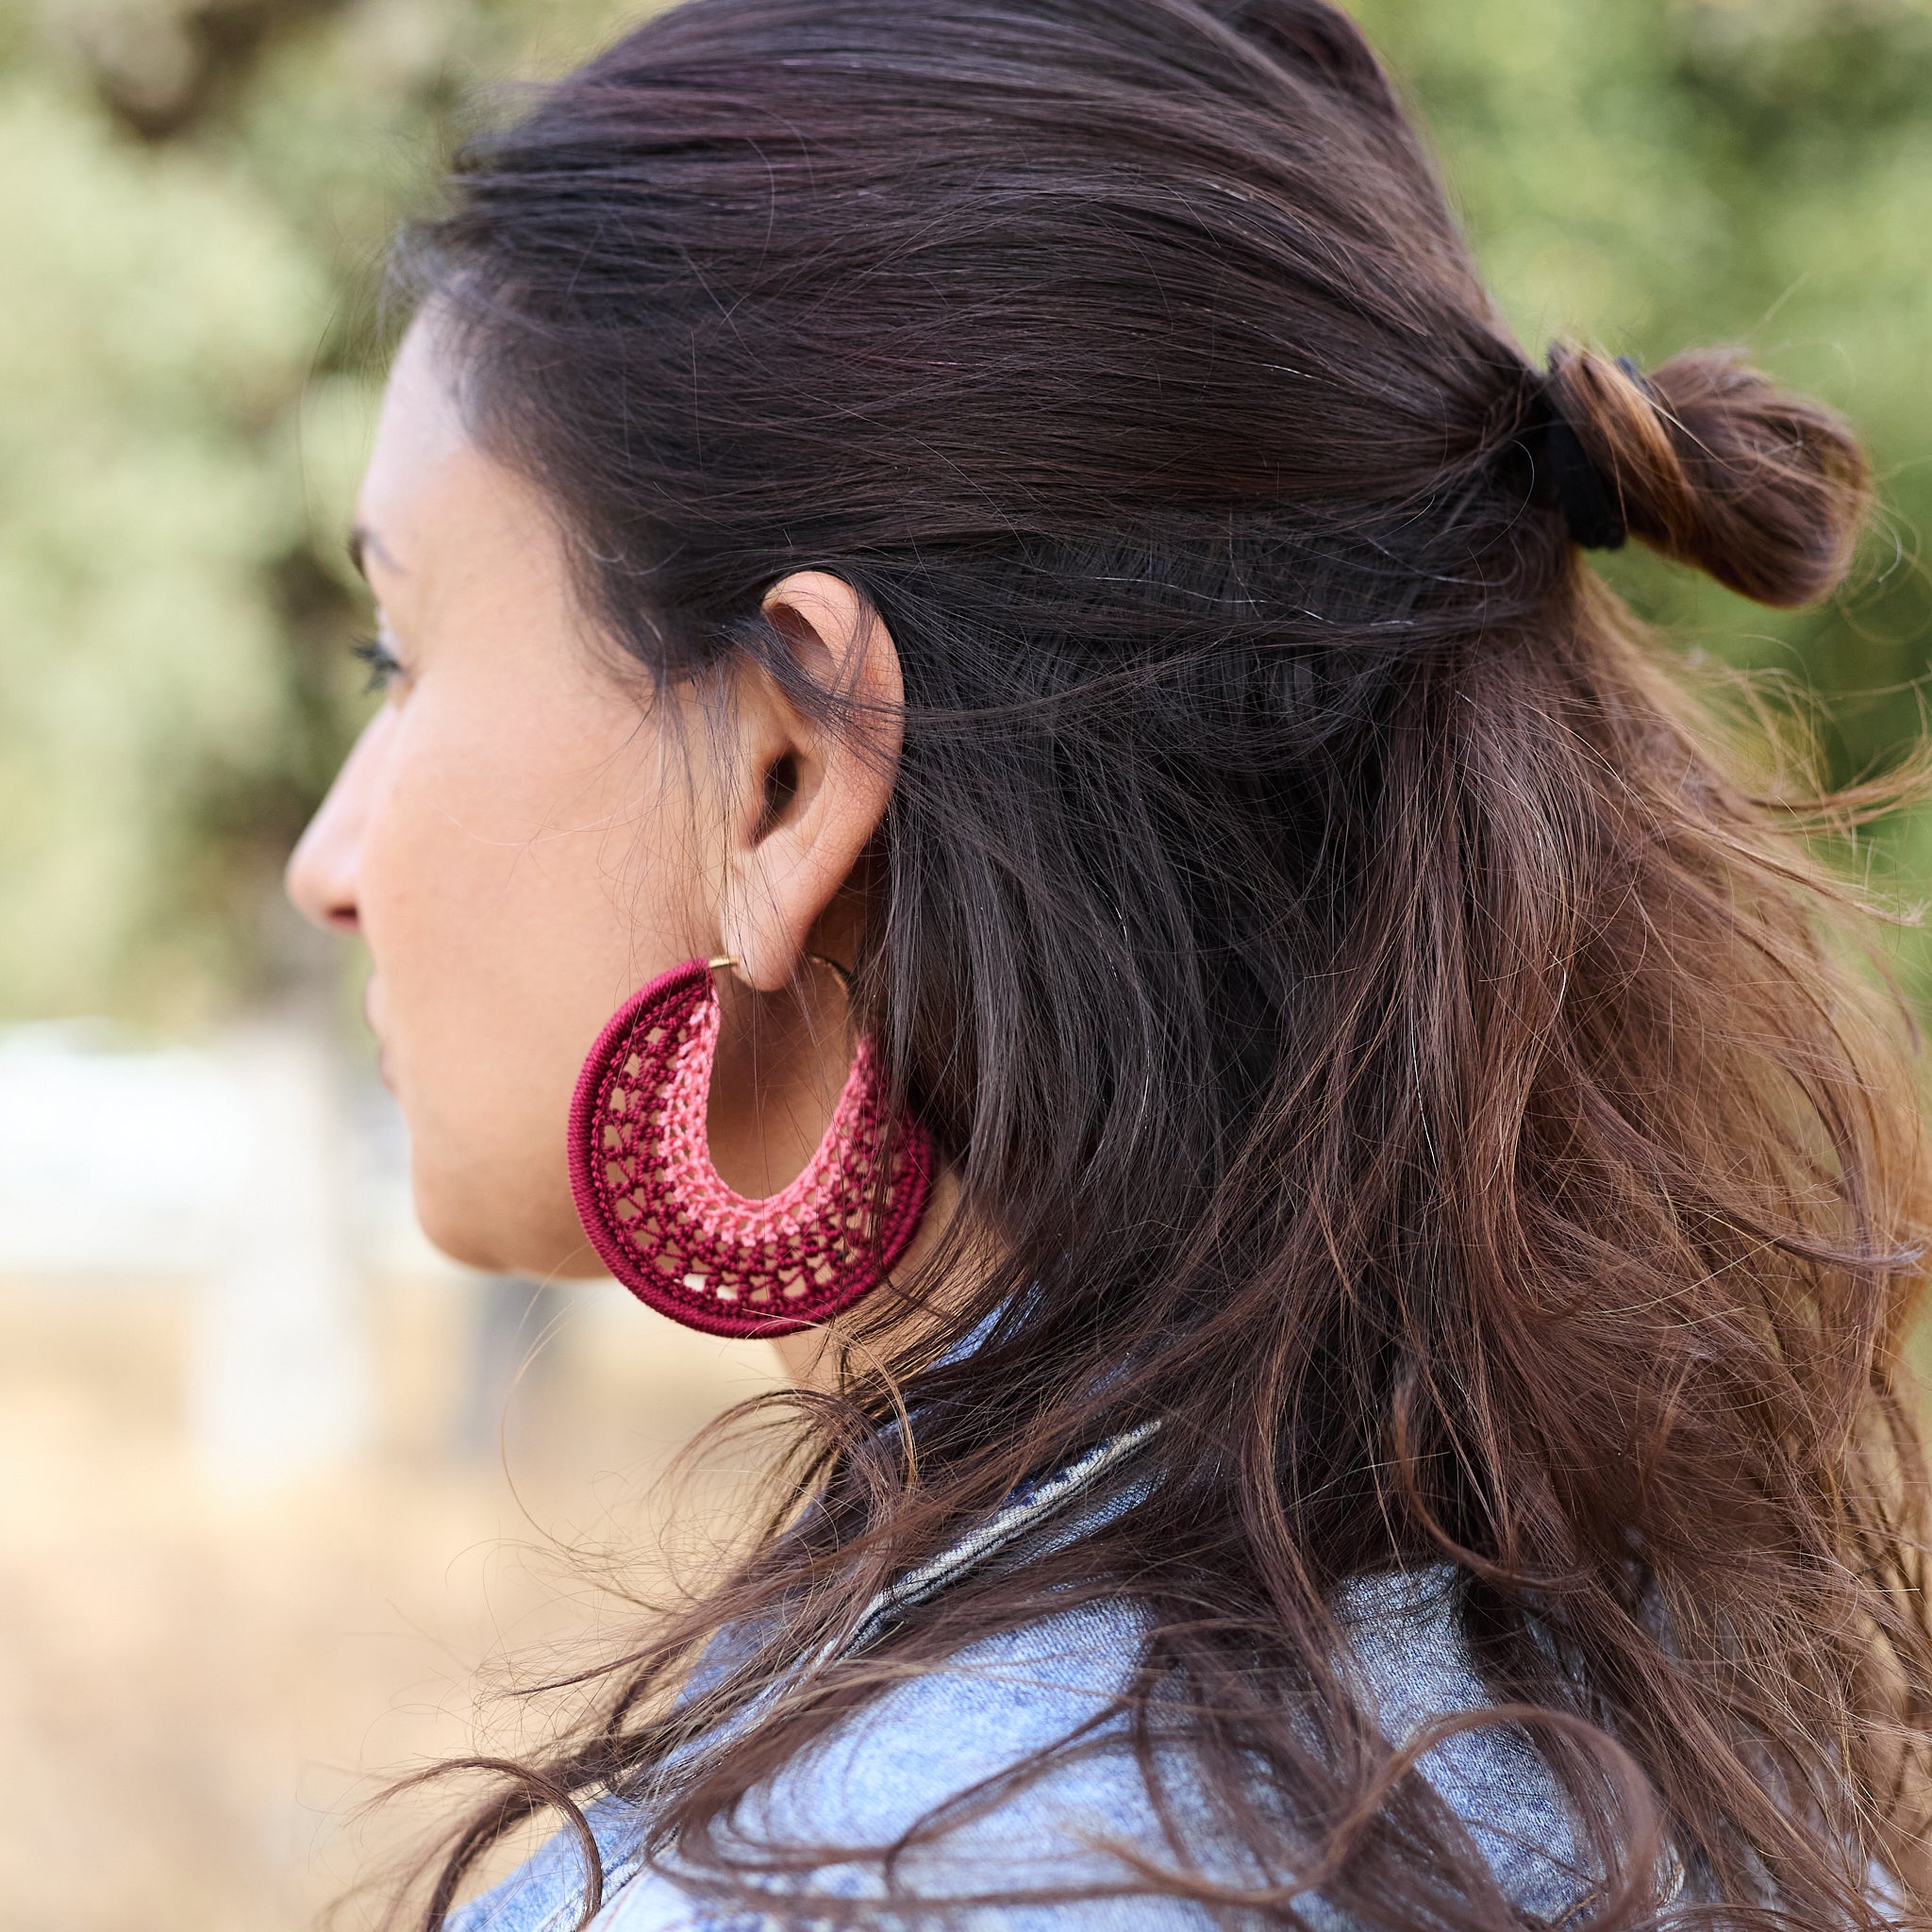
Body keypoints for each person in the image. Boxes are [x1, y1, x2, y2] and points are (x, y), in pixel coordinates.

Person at [284, 1, 1932, 1925]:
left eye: (398, 656)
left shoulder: (834, 1881)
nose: (332, 859)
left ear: (784, 772)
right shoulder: (1649, 1731)